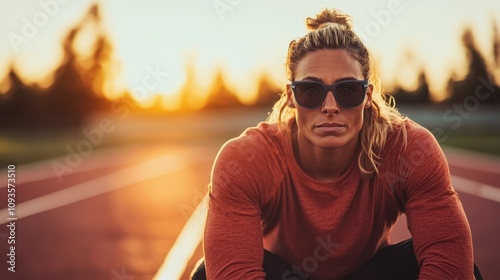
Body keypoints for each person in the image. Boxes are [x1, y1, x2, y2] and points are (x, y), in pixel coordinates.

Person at [192, 8, 482, 280]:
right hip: (289, 273)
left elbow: (450, 267)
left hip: (370, 272)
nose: (330, 106)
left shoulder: (409, 148)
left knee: (466, 266)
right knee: (205, 273)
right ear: (291, 96)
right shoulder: (246, 159)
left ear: (368, 96)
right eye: (310, 90)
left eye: (347, 90)